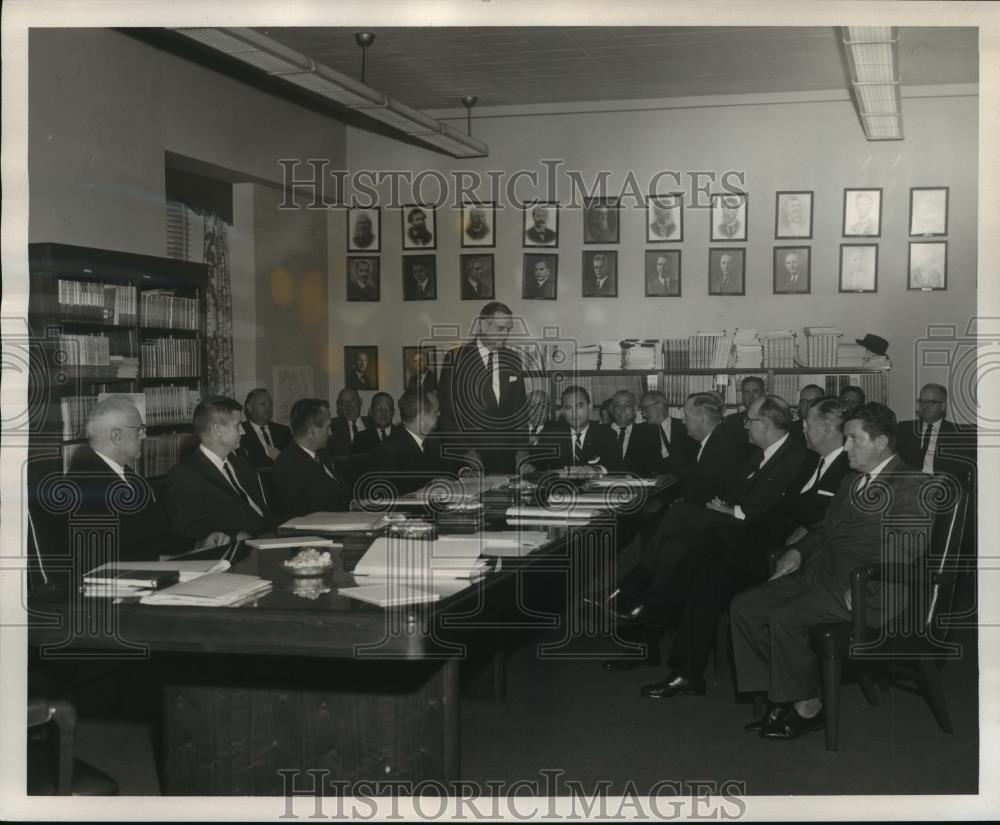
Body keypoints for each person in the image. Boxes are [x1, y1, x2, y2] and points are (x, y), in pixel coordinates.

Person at [730, 403, 925, 739]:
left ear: (880, 443)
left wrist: (865, 583)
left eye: (853, 439)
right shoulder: (851, 481)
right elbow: (823, 529)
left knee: (785, 617)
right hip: (823, 572)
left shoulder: (912, 483)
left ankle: (807, 706)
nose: (845, 446)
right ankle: (781, 695)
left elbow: (906, 546)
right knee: (745, 607)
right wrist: (797, 551)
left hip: (870, 586)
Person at [633, 397, 849, 697]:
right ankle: (687, 672)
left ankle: (655, 604)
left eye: (808, 423)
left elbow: (818, 521)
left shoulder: (845, 470)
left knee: (709, 533)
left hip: (787, 557)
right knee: (709, 575)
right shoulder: (811, 462)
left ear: (827, 428)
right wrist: (742, 516)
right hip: (758, 546)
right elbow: (776, 507)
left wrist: (743, 519)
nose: (803, 428)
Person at [607, 395, 806, 622]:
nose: (745, 424)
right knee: (672, 545)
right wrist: (727, 505)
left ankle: (630, 588)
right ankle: (647, 608)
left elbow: (764, 505)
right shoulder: (756, 451)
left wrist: (731, 510)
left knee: (678, 513)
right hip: (730, 517)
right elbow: (732, 488)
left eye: (750, 420)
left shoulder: (732, 444)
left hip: (745, 533)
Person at [61, 395, 175, 565]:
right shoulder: (83, 487)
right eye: (140, 429)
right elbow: (106, 561)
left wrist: (197, 545)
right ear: (116, 436)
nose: (144, 436)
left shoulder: (126, 475)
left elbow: (156, 537)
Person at [165, 396, 274, 544]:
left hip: (268, 542)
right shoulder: (185, 475)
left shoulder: (242, 464)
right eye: (237, 425)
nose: (243, 431)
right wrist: (233, 536)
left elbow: (263, 514)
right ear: (217, 430)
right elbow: (189, 532)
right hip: (234, 555)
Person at [437, 301, 529, 474]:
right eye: (500, 329)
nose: (505, 335)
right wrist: (466, 451)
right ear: (484, 325)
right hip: (469, 458)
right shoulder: (455, 359)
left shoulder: (513, 358)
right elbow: (448, 414)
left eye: (508, 330)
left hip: (507, 459)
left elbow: (519, 409)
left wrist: (522, 450)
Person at [270, 398, 350, 520]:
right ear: (313, 430)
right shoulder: (287, 465)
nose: (331, 433)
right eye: (327, 427)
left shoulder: (321, 456)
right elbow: (298, 516)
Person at [526, 385, 617, 472]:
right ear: (563, 412)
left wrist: (597, 470)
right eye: (568, 408)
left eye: (579, 406)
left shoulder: (606, 434)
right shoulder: (553, 435)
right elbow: (538, 467)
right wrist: (528, 467)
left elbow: (616, 466)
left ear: (590, 407)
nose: (574, 413)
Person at [895, 383, 957, 474]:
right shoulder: (905, 429)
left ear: (943, 406)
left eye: (931, 402)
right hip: (910, 483)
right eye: (921, 401)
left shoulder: (954, 433)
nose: (924, 406)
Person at [598, 390, 661, 477]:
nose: (622, 410)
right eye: (617, 406)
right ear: (611, 409)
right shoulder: (598, 432)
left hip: (640, 487)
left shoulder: (649, 432)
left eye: (627, 405)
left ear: (635, 408)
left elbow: (656, 466)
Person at [638, 390, 697, 474]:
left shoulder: (685, 427)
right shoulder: (639, 431)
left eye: (645, 408)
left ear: (659, 405)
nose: (643, 414)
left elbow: (693, 462)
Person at [240, 388, 292, 468]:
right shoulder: (240, 432)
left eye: (270, 404)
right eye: (263, 404)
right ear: (249, 407)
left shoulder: (283, 431)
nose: (269, 408)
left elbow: (293, 460)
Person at [327, 388, 373, 457]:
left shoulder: (373, 423)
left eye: (352, 400)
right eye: (343, 402)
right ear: (340, 407)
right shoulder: (332, 426)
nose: (348, 405)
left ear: (360, 402)